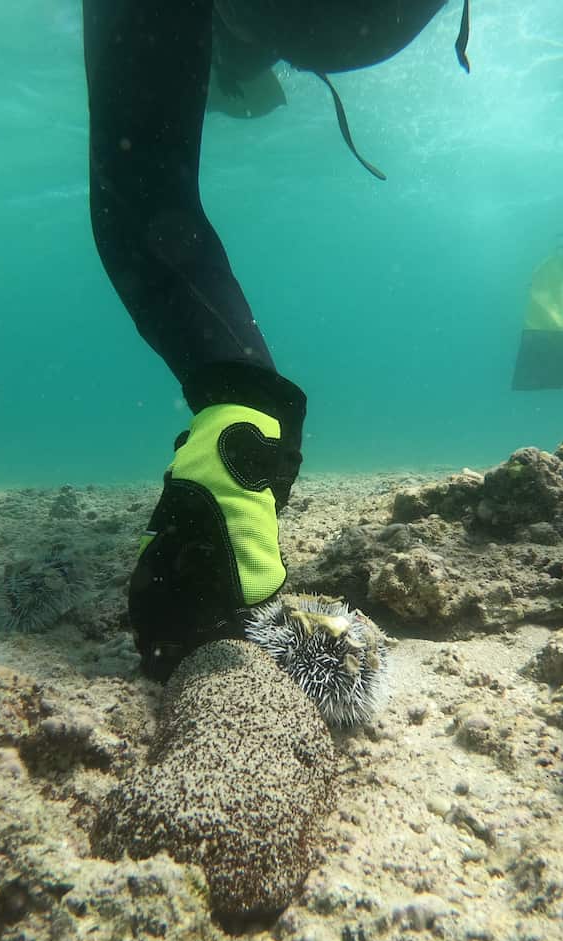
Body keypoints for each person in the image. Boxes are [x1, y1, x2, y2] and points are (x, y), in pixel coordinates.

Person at [83, 0, 471, 680]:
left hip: (283, 18)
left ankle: (242, 430)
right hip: (378, 24)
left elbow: (142, 193)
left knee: (140, 184)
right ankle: (238, 438)